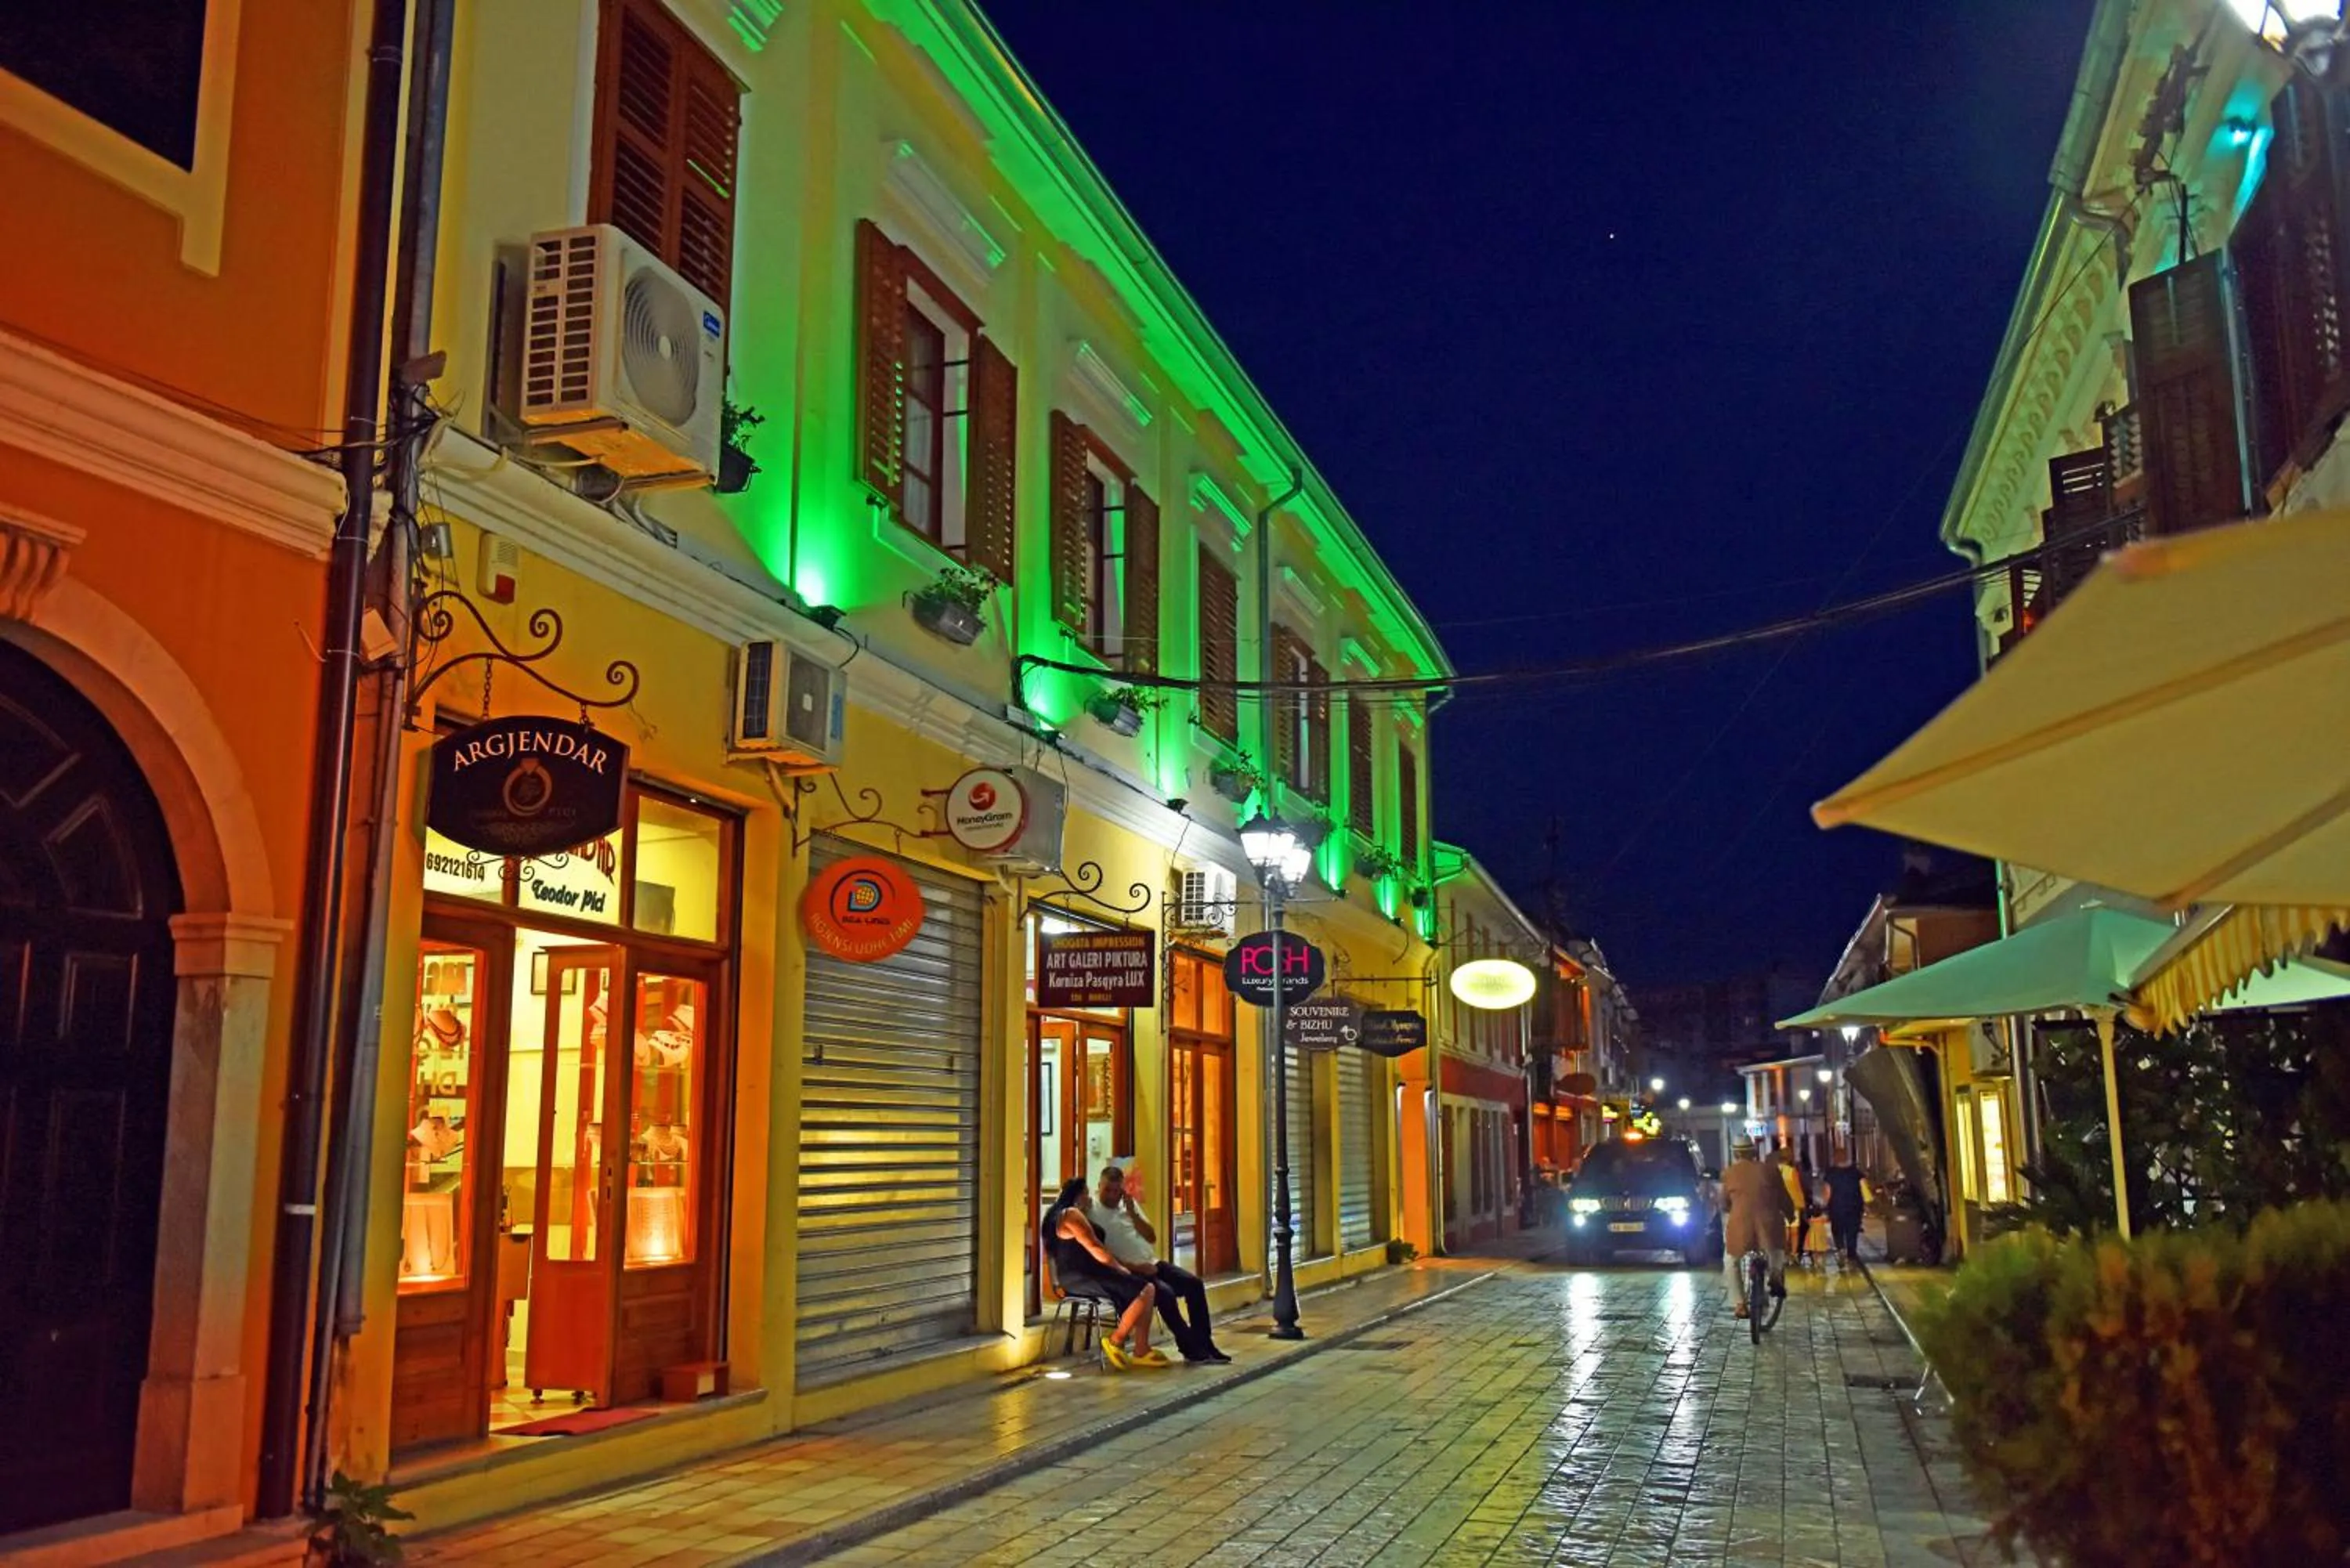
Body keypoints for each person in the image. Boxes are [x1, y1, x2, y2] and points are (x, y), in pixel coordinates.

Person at [1083, 1162, 1230, 1364]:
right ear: (1099, 1186)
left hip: (1153, 1263)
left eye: (1116, 1191)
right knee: (1166, 1294)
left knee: (1194, 1284)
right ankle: (1191, 1348)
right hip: (1130, 1271)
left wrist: (1132, 1214)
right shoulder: (1090, 1209)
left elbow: (1151, 1237)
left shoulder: (1130, 1205)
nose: (1111, 1195)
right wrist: (1136, 1268)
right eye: (1107, 1189)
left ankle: (1206, 1343)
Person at [1043, 1176, 1165, 1371]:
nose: (1090, 1199)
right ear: (1079, 1194)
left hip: (1076, 1275)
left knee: (1144, 1288)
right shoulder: (1071, 1215)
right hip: (1085, 1276)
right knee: (1146, 1289)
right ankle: (1116, 1341)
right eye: (1087, 1194)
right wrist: (1119, 1268)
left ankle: (1142, 1348)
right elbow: (1095, 1247)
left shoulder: (1057, 1215)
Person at [1722, 1136, 1795, 1318]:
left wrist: (1730, 1208)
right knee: (1777, 1248)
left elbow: (1723, 1202)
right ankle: (1776, 1275)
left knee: (1731, 1261)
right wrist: (1790, 1214)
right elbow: (1783, 1197)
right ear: (1753, 1152)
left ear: (1735, 1153)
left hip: (1740, 1225)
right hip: (1768, 1221)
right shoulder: (1770, 1170)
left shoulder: (1729, 1173)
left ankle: (1739, 1303)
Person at [1820, 1147, 1871, 1264]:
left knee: (1838, 1230)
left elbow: (1828, 1192)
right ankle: (1852, 1254)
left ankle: (1841, 1250)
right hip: (1854, 1207)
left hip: (1837, 1207)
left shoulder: (1831, 1174)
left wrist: (1824, 1205)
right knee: (1852, 1231)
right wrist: (1868, 1203)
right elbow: (1864, 1189)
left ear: (1835, 1158)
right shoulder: (1856, 1172)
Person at [1776, 1147, 1811, 1265]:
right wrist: (1803, 1205)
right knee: (1794, 1231)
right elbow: (1798, 1189)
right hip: (1793, 1205)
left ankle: (1785, 1254)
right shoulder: (1791, 1171)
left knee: (1784, 1231)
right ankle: (1794, 1254)